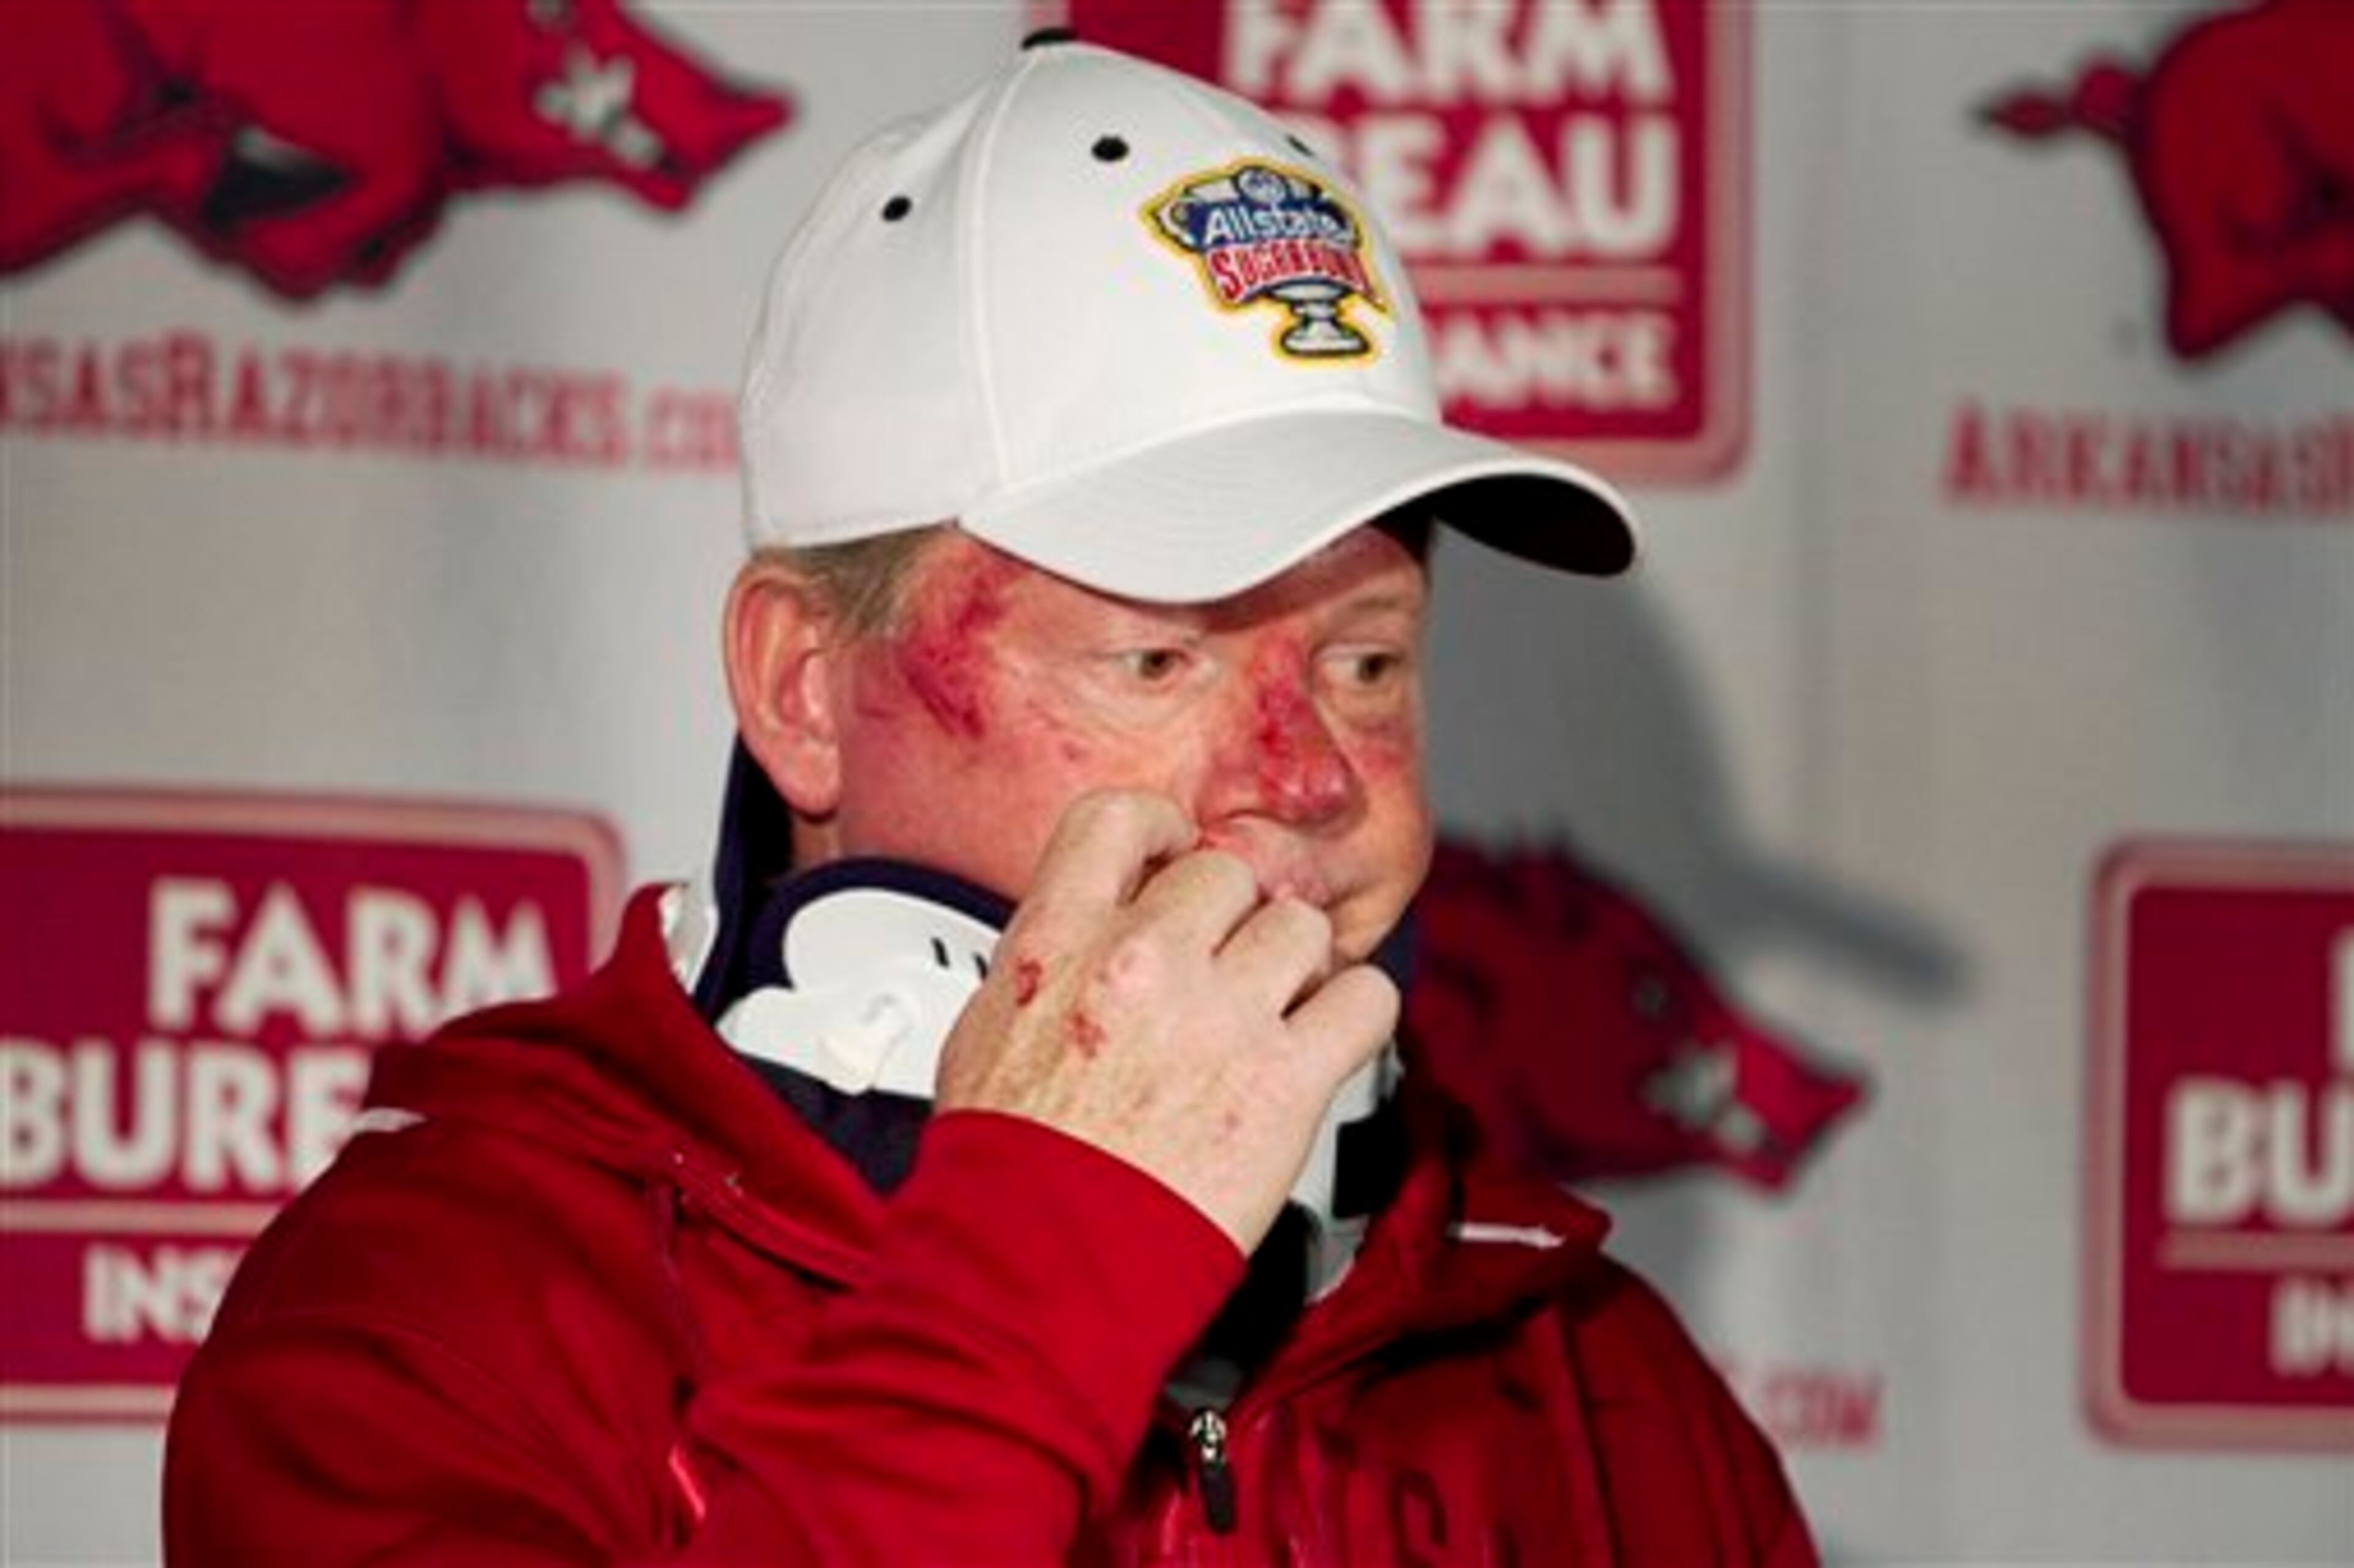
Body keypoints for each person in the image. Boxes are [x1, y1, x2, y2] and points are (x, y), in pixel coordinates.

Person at [165, 36, 1816, 1566]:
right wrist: (1048, 1267)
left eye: (1368, 663)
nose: (1310, 776)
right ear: (804, 689)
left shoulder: (1597, 1378)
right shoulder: (433, 1323)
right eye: (1157, 659)